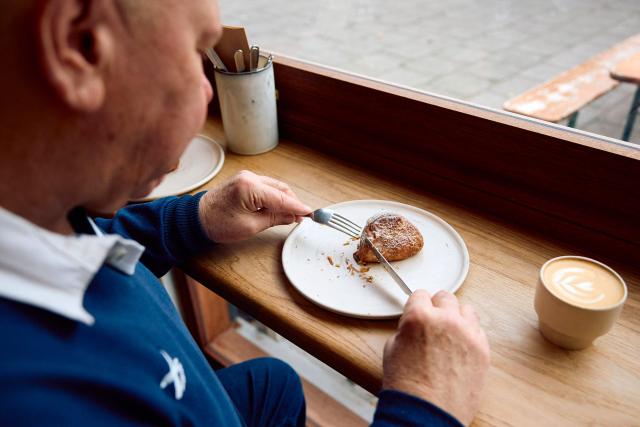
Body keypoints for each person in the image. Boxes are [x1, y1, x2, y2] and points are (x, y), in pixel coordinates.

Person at [0, 0, 490, 426]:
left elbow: (93, 244)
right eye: (197, 55)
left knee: (275, 382)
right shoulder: (44, 404)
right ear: (79, 43)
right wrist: (425, 406)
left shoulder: (44, 215)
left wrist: (194, 219)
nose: (210, 92)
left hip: (189, 396)